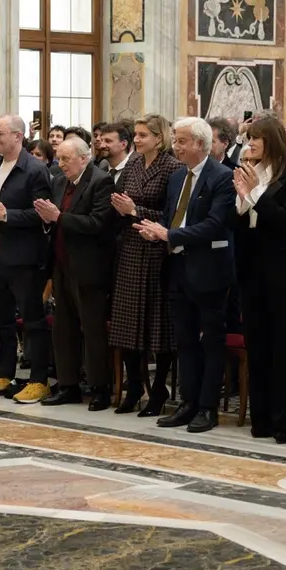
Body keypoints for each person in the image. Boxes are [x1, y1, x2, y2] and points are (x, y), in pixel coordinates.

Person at [137, 117, 236, 434]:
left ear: (200, 144)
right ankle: (188, 402)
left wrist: (169, 235)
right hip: (178, 269)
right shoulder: (178, 177)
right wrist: (158, 233)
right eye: (175, 140)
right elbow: (173, 218)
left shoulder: (222, 177)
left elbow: (215, 224)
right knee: (184, 341)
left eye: (181, 141)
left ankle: (207, 407)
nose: (176, 147)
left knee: (211, 341)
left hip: (209, 270)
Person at [231, 115, 286, 443]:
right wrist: (241, 197)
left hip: (285, 273)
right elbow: (240, 223)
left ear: (272, 141)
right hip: (253, 272)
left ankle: (285, 421)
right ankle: (261, 418)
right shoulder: (250, 172)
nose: (250, 145)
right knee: (259, 348)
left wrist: (253, 195)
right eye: (248, 139)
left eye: (256, 139)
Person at [0, 115, 55, 404]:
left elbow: (42, 214)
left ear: (18, 136)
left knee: (33, 321)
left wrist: (8, 215)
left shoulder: (35, 169)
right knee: (2, 321)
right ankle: (4, 375)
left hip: (24, 259)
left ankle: (38, 380)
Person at [109, 114, 182, 416]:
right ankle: (135, 384)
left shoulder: (172, 167)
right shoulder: (134, 165)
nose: (137, 140)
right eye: (136, 135)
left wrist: (135, 209)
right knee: (127, 324)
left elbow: (172, 214)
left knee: (156, 325)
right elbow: (121, 202)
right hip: (129, 248)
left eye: (142, 135)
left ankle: (159, 389)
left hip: (155, 251)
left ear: (159, 137)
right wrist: (121, 209)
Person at [37, 136, 116, 410]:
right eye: (59, 159)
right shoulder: (59, 181)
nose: (61, 164)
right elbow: (55, 222)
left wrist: (58, 217)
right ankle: (68, 384)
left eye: (66, 159)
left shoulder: (100, 181)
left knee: (92, 330)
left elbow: (97, 223)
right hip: (61, 265)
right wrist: (49, 221)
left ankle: (99, 388)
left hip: (89, 268)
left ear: (84, 158)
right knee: (63, 329)